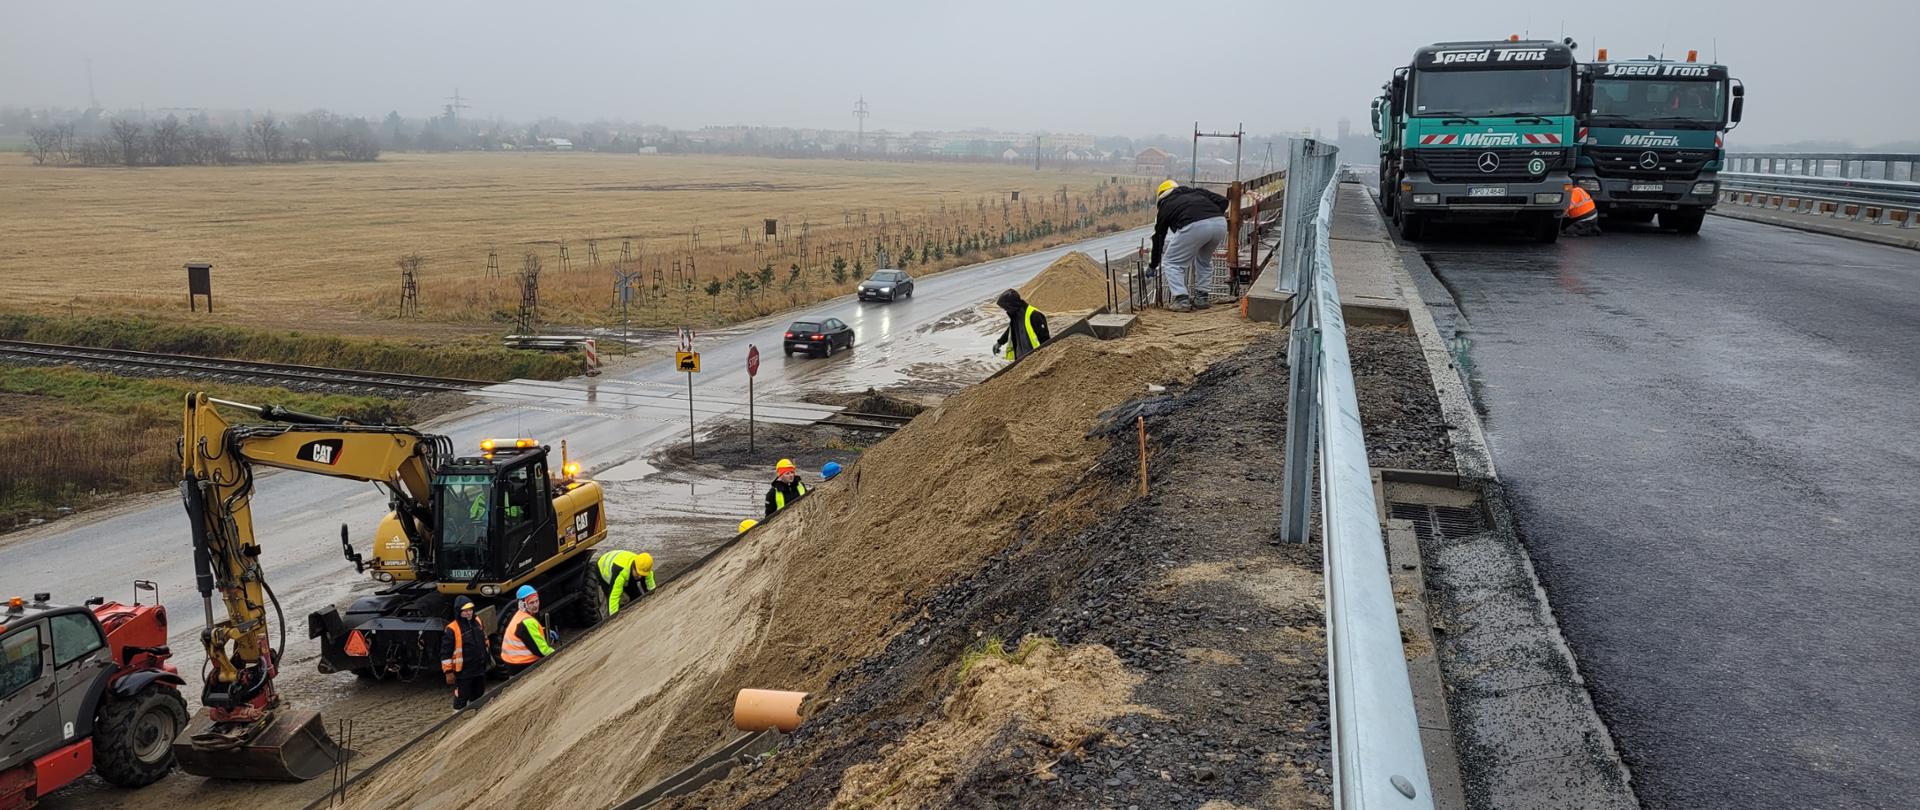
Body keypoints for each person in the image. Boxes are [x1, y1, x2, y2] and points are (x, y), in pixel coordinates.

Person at [1149, 180, 1230, 312]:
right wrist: (1210, 214)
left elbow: (1158, 237)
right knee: (1204, 261)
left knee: (1172, 262)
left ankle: (1181, 299)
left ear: (1161, 195)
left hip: (1194, 226)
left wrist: (1153, 264)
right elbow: (1223, 201)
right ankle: (1202, 297)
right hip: (1219, 223)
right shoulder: (1196, 192)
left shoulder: (1166, 205)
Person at [440, 596, 490, 710]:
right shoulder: (452, 629)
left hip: (479, 666)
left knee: (479, 691)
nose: (469, 613)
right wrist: (448, 672)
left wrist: (487, 656)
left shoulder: (477, 621)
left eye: (470, 610)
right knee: (463, 695)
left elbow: (484, 639)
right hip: (463, 670)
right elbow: (445, 653)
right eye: (465, 611)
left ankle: (475, 710)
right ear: (459, 612)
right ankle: (458, 714)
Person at [499, 585, 556, 675]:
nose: (535, 605)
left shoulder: (520, 615)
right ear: (523, 604)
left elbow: (530, 633)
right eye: (531, 603)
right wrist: (559, 654)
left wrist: (544, 631)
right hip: (521, 664)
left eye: (537, 601)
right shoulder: (527, 622)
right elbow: (542, 651)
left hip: (512, 661)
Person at [990, 289, 1050, 361]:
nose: (1005, 310)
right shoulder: (1015, 316)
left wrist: (1044, 358)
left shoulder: (1034, 314)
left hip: (1035, 357)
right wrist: (999, 342)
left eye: (1006, 308)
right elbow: (1010, 330)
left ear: (1012, 305)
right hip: (1021, 359)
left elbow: (1045, 338)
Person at [595, 549, 656, 617]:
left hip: (623, 563)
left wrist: (653, 596)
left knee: (637, 596)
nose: (640, 577)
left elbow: (650, 585)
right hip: (603, 567)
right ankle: (609, 614)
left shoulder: (644, 566)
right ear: (633, 567)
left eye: (642, 574)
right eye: (638, 574)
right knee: (614, 598)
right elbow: (614, 596)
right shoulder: (621, 572)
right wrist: (613, 617)